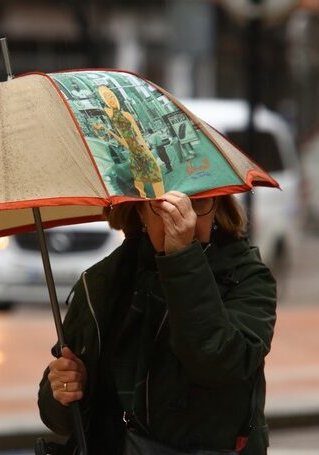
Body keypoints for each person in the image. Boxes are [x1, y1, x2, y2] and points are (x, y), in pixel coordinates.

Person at [38, 191, 276, 455]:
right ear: (140, 211)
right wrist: (63, 391)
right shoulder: (102, 284)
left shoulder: (246, 276)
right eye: (164, 204)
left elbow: (217, 361)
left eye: (199, 202)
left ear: (218, 209)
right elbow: (62, 419)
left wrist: (182, 257)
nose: (184, 216)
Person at [93, 85, 164, 198]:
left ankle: (158, 198)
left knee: (147, 174)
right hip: (132, 150)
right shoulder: (113, 118)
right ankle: (151, 198)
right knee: (144, 176)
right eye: (106, 97)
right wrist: (106, 129)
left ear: (115, 97)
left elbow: (138, 135)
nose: (110, 99)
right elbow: (122, 139)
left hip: (137, 148)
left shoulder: (126, 115)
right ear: (104, 101)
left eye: (111, 96)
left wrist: (146, 149)